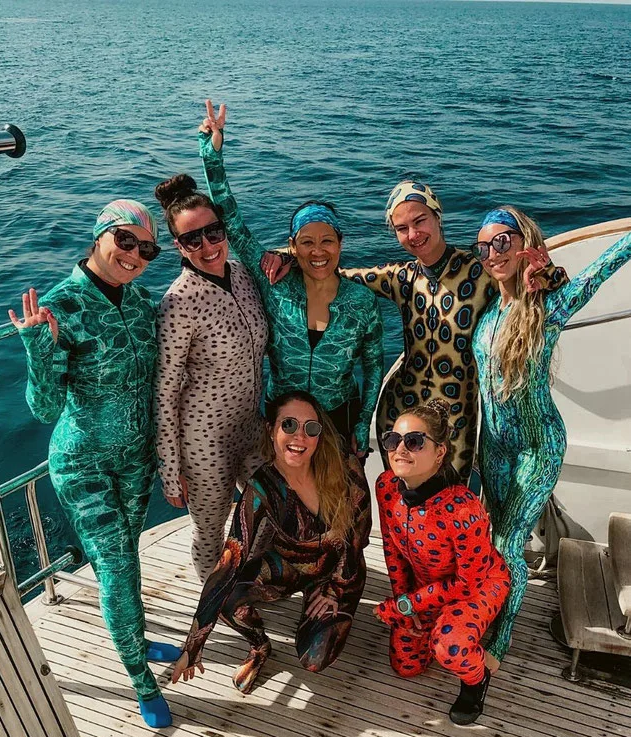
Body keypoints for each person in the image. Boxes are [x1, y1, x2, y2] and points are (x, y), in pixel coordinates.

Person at [265, 181, 566, 478]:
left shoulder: (479, 271)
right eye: (402, 228)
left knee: (449, 503)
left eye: (420, 220)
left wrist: (546, 274)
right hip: (399, 411)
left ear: (438, 216)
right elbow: (330, 270)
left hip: (455, 418)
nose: (413, 234)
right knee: (402, 504)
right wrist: (288, 255)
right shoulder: (401, 278)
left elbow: (540, 293)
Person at [8, 200, 178, 729]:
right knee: (118, 566)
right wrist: (37, 348)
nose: (134, 255)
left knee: (126, 559)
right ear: (100, 236)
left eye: (146, 248)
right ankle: (140, 681)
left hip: (134, 459)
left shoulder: (143, 298)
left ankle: (135, 636)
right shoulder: (61, 307)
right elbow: (44, 409)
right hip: (83, 464)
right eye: (124, 241)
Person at [471, 207, 631, 671]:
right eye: (484, 247)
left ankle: (495, 649)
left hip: (537, 447)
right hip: (494, 446)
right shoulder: (488, 309)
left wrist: (553, 277)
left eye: (503, 242)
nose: (493, 254)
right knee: (492, 542)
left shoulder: (548, 307)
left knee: (508, 544)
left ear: (526, 244)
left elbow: (603, 268)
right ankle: (487, 616)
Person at [197, 101, 384, 458]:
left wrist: (363, 421)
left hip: (337, 420)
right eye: (307, 242)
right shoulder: (275, 283)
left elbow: (373, 365)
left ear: (340, 244)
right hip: (280, 421)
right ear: (293, 247)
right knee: (282, 507)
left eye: (327, 240)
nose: (318, 251)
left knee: (336, 509)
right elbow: (231, 222)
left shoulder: (361, 303)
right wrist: (212, 154)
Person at [171, 390, 371, 695]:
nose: (299, 436)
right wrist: (193, 645)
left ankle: (317, 605)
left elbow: (359, 534)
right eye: (288, 425)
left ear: (319, 436)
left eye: (310, 428)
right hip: (291, 566)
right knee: (225, 597)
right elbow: (229, 562)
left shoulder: (344, 466)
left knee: (314, 660)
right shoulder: (262, 487)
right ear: (271, 430)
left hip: (340, 571)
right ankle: (259, 647)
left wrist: (334, 588)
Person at [154, 174, 268, 581]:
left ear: (223, 229)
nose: (206, 246)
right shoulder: (178, 303)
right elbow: (165, 392)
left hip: (251, 427)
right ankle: (216, 603)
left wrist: (285, 256)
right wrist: (170, 469)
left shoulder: (241, 274)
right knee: (210, 530)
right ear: (178, 246)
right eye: (192, 240)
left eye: (213, 231)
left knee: (271, 505)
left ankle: (250, 577)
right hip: (204, 442)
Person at [373, 399, 510, 725]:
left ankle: (476, 680)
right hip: (428, 586)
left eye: (415, 441)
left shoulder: (463, 508)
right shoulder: (386, 487)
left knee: (449, 646)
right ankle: (448, 627)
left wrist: (407, 605)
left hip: (480, 584)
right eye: (393, 440)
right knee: (405, 666)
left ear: (439, 452)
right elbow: (393, 553)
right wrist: (404, 605)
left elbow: (469, 582)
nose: (400, 449)